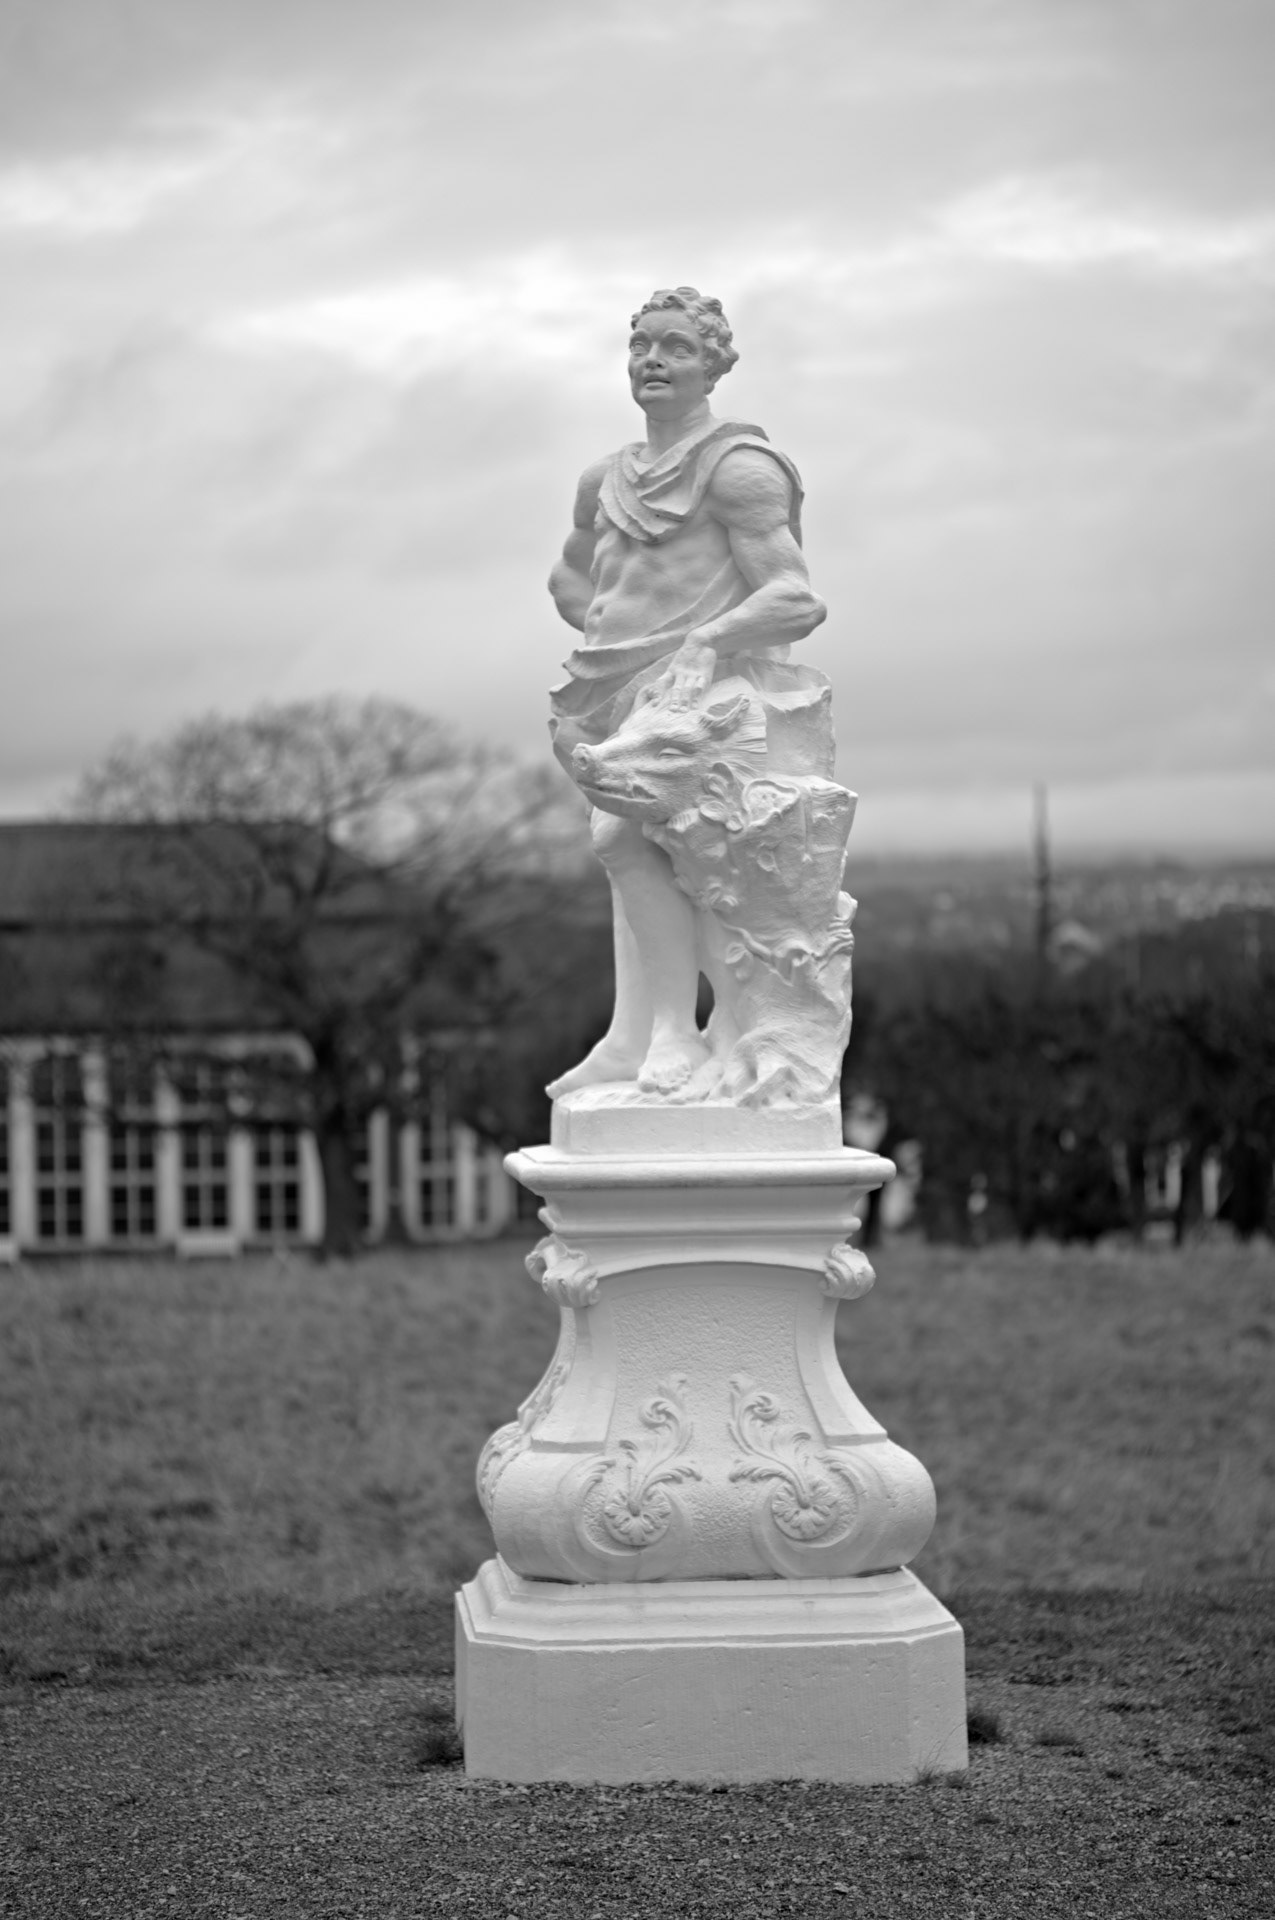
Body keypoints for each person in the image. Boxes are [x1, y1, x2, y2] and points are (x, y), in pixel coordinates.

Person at [547, 287, 827, 1097]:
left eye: (674, 347)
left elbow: (794, 597)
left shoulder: (738, 468)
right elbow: (571, 572)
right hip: (609, 687)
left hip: (699, 692)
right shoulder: (604, 477)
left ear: (713, 365)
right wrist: (605, 635)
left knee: (625, 841)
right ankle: (633, 1035)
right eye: (640, 346)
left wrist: (700, 642)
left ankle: (678, 1032)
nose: (652, 361)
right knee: (634, 860)